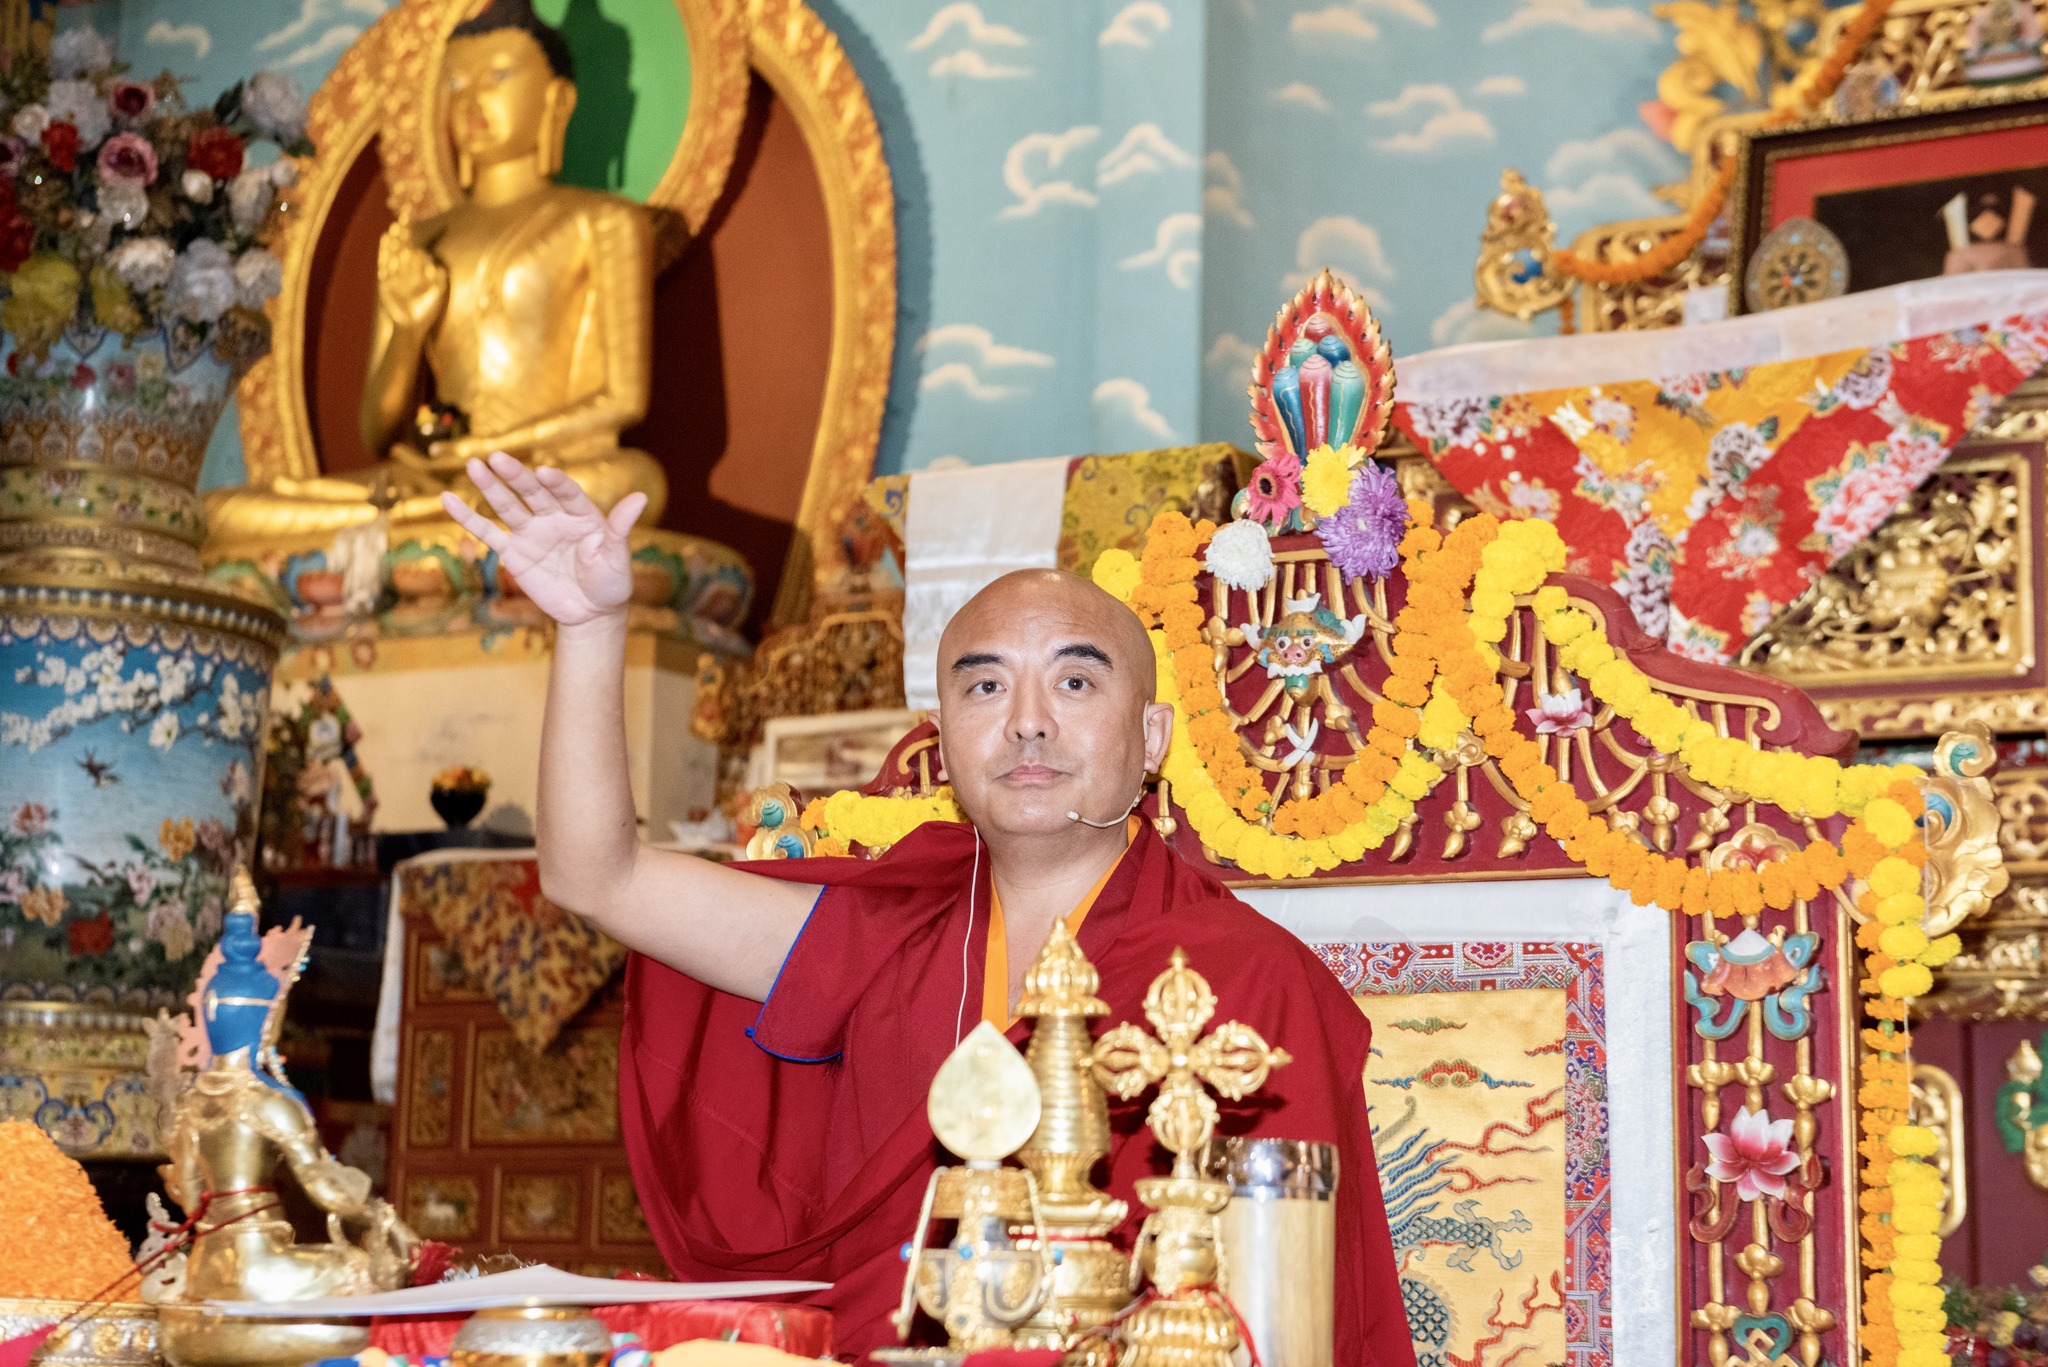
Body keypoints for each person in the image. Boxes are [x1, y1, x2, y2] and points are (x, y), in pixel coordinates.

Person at [440, 456, 1415, 1365]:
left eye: (1075, 681)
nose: (1027, 719)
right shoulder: (884, 934)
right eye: (984, 685)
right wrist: (589, 627)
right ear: (944, 737)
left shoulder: (1243, 975)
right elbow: (594, 875)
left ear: (1151, 735)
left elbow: (1285, 1308)